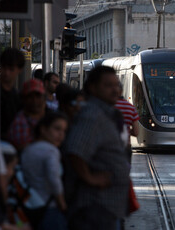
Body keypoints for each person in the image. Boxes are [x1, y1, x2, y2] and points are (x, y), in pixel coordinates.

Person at [64, 66, 130, 230]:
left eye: (117, 85)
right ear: (93, 87)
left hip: (106, 208)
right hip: (94, 208)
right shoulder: (92, 115)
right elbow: (75, 151)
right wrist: (90, 178)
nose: (115, 90)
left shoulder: (105, 114)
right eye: (108, 85)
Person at [21, 113, 68, 230]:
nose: (61, 135)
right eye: (57, 129)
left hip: (30, 206)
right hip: (50, 208)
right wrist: (61, 203)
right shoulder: (51, 151)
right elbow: (54, 178)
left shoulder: (28, 149)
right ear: (43, 129)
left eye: (64, 131)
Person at [7, 79, 46, 152]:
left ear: (44, 98)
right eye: (30, 97)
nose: (35, 101)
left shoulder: (51, 117)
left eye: (38, 96)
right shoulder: (19, 122)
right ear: (23, 99)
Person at [115, 84, 139, 163]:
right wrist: (127, 131)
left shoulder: (107, 106)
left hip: (109, 146)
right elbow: (136, 132)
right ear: (121, 91)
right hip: (126, 146)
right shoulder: (131, 108)